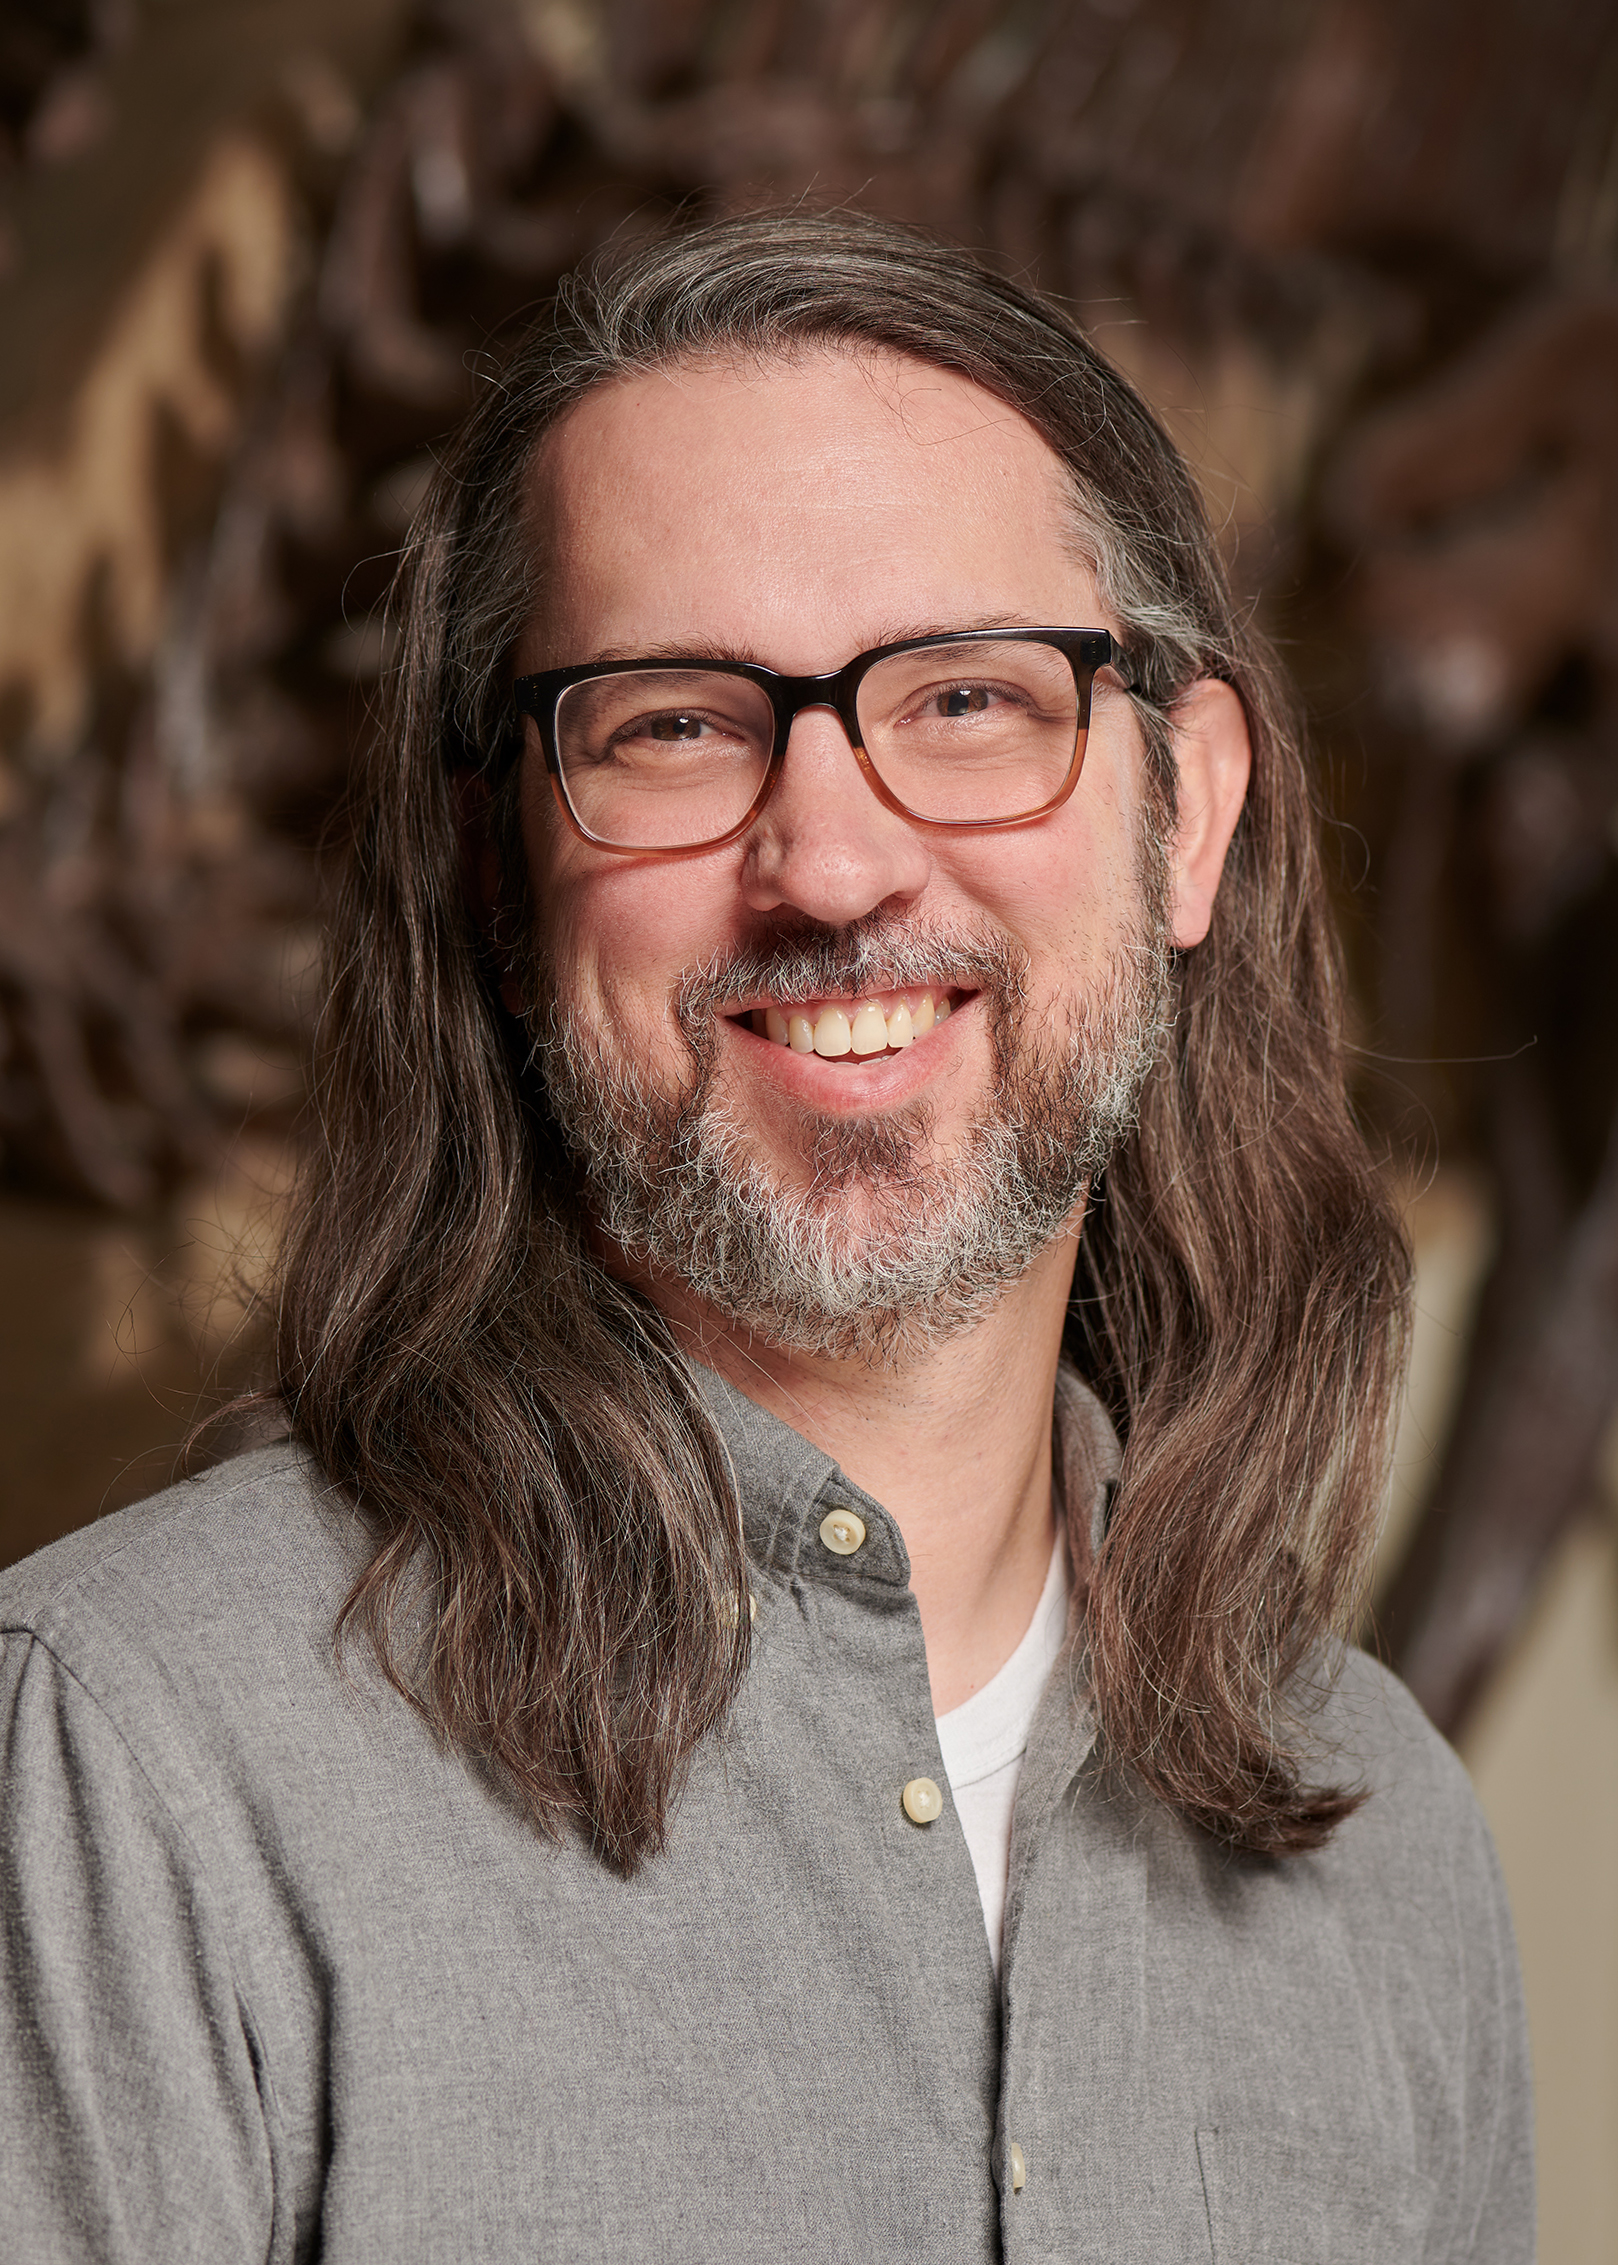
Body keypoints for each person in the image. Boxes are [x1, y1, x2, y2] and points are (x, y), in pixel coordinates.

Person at [0, 210, 1531, 2262]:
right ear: (497, 861)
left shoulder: (1387, 1847)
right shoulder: (132, 1761)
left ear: (1190, 811)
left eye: (972, 700)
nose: (825, 856)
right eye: (673, 723)